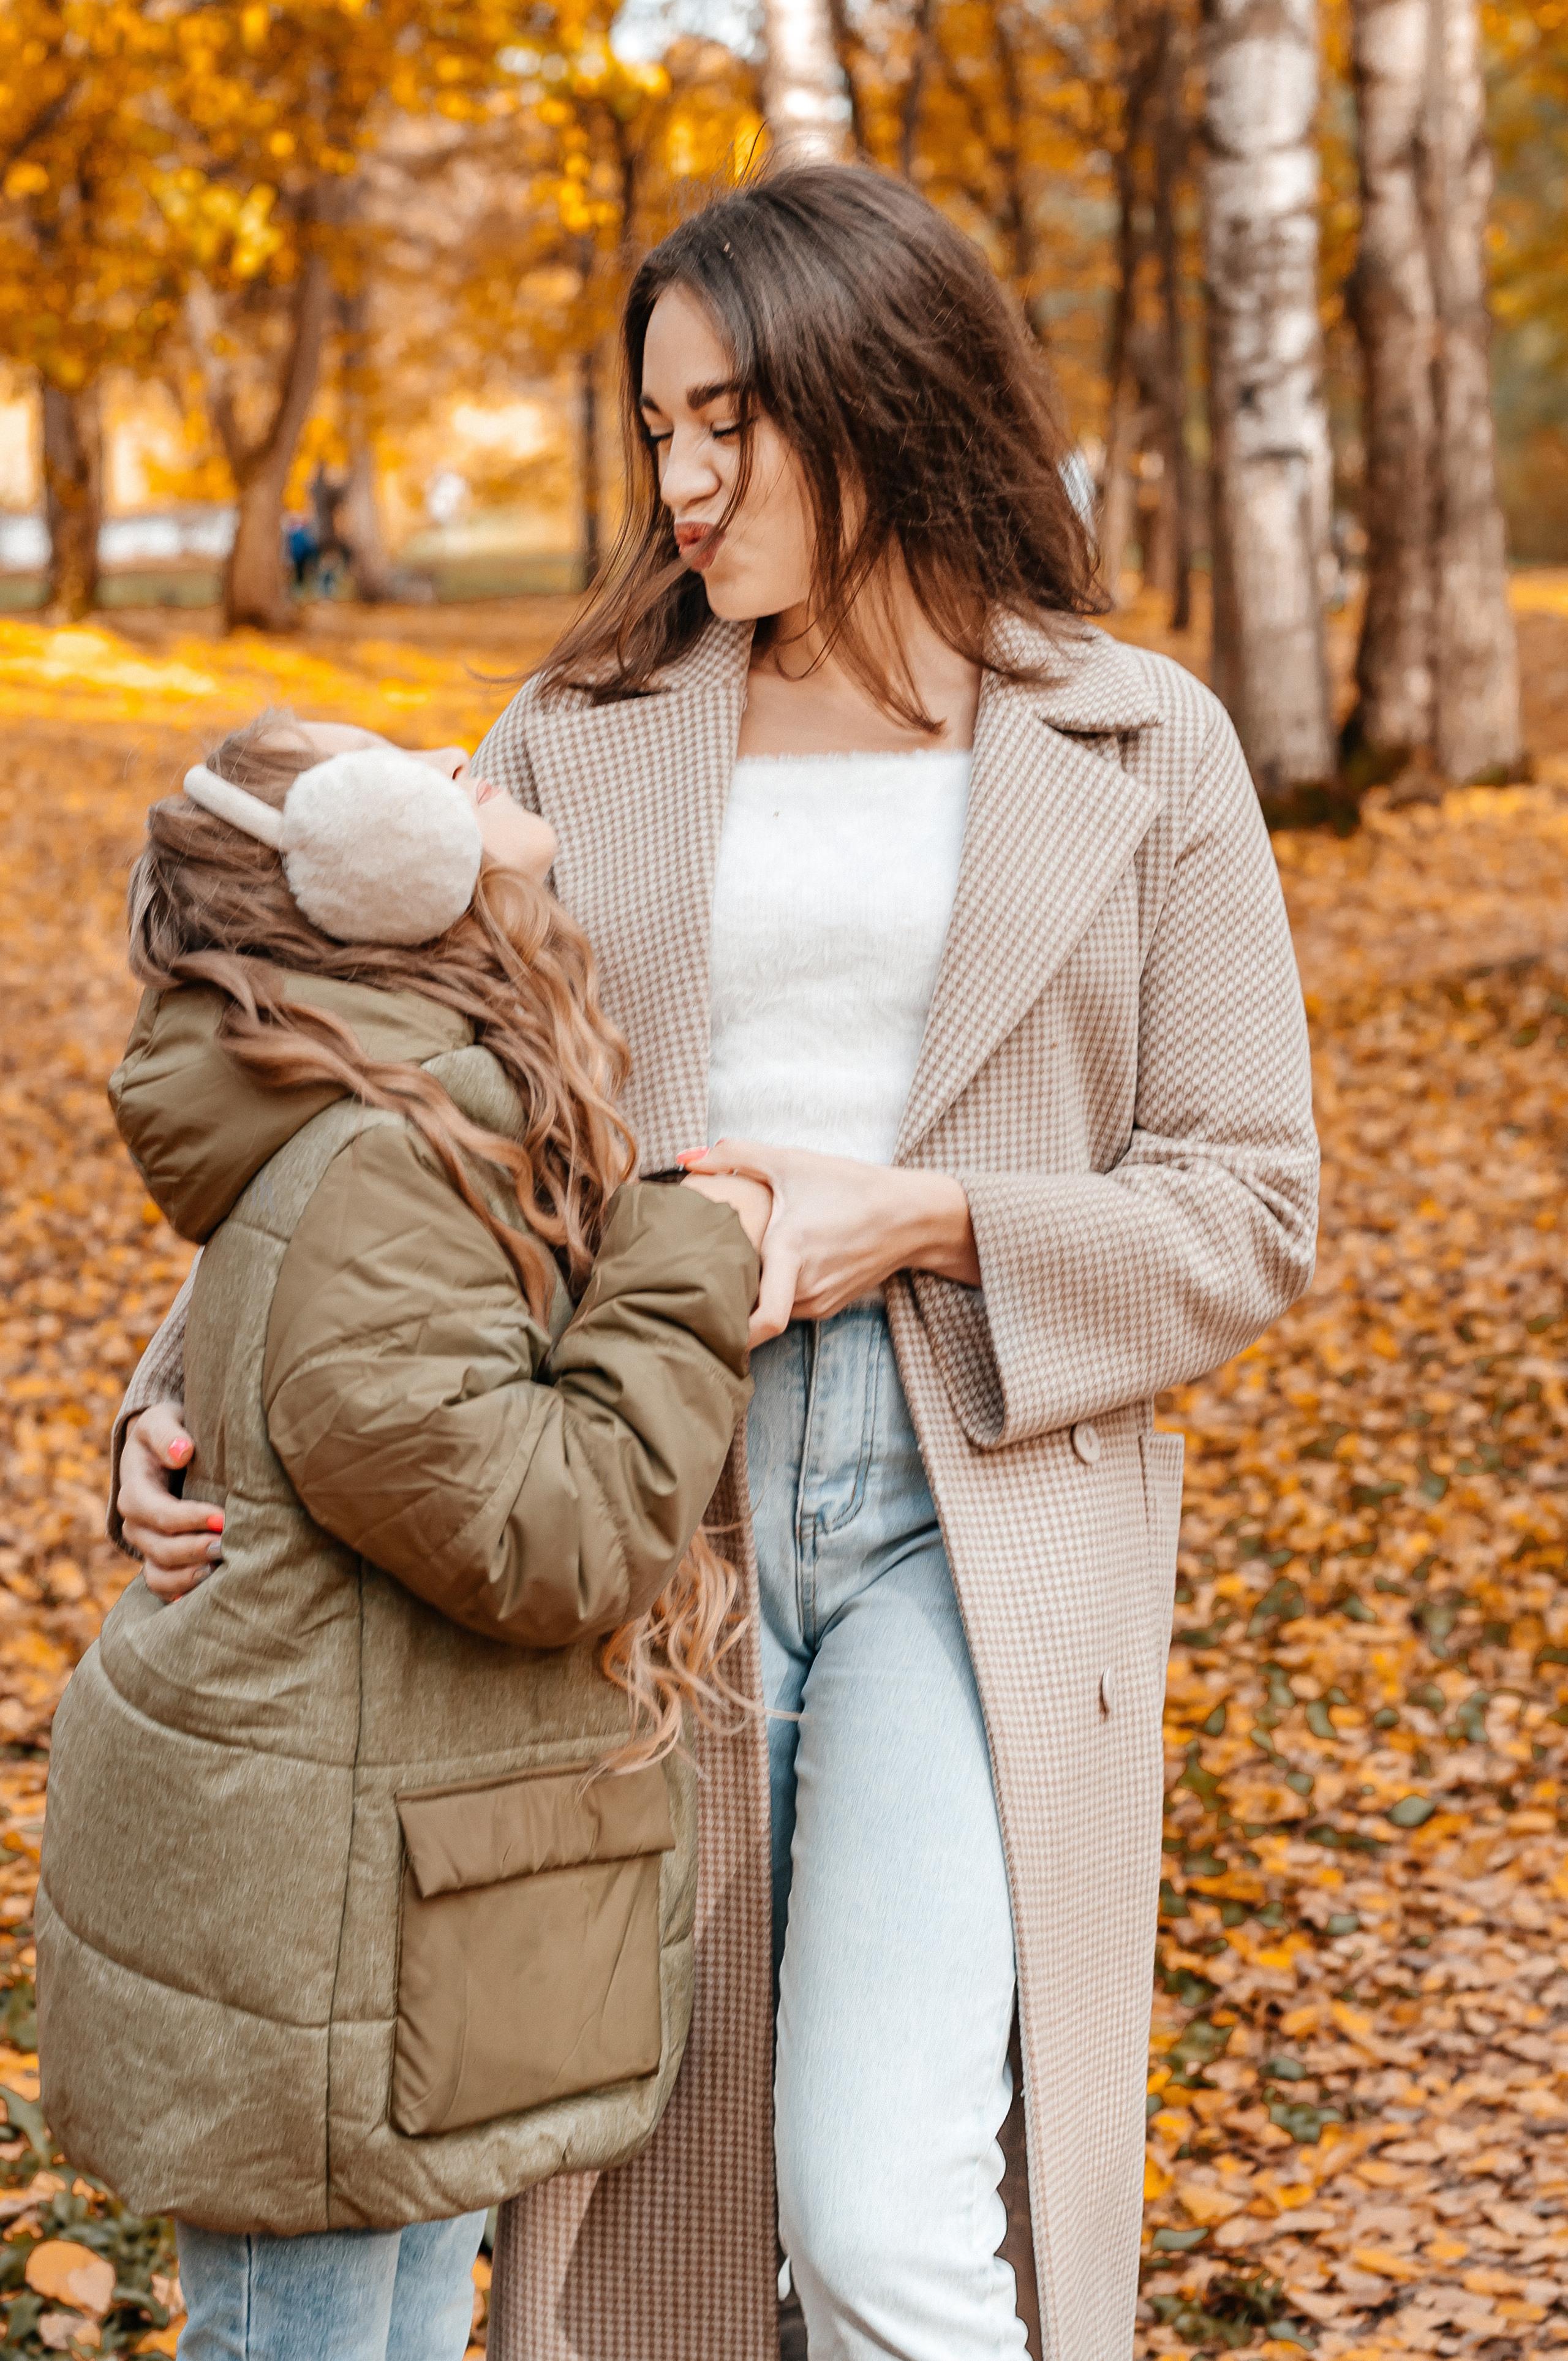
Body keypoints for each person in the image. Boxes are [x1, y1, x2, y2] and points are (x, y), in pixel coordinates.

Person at [115, 165, 1319, 2361]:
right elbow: (379, 1107)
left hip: (983, 1499)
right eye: (657, 422)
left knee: (886, 2219)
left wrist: (928, 1218)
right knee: (635, 2240)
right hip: (618, 1500)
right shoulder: (578, 737)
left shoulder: (1143, 746)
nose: (679, 475)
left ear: (892, 392)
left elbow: (1251, 1202)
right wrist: (170, 1407)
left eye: (733, 420)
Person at [40, 715, 769, 2361]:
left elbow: (311, 1386)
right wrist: (688, 1249)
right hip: (309, 1919)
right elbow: (555, 1533)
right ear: (377, 869)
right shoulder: (392, 1152)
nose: (470, 759)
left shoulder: (399, 1104)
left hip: (378, 1889)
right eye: (418, 773)